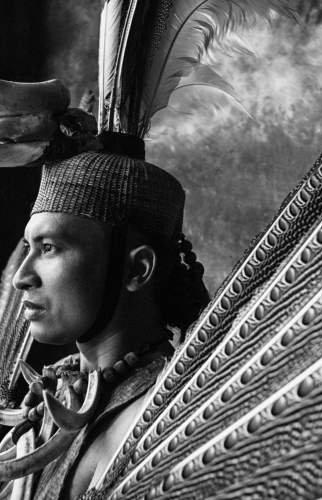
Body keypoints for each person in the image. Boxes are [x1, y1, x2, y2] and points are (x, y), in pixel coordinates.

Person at [11, 127, 209, 499]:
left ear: (137, 270)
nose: (21, 276)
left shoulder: (162, 423)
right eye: (28, 247)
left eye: (49, 247)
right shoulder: (52, 396)